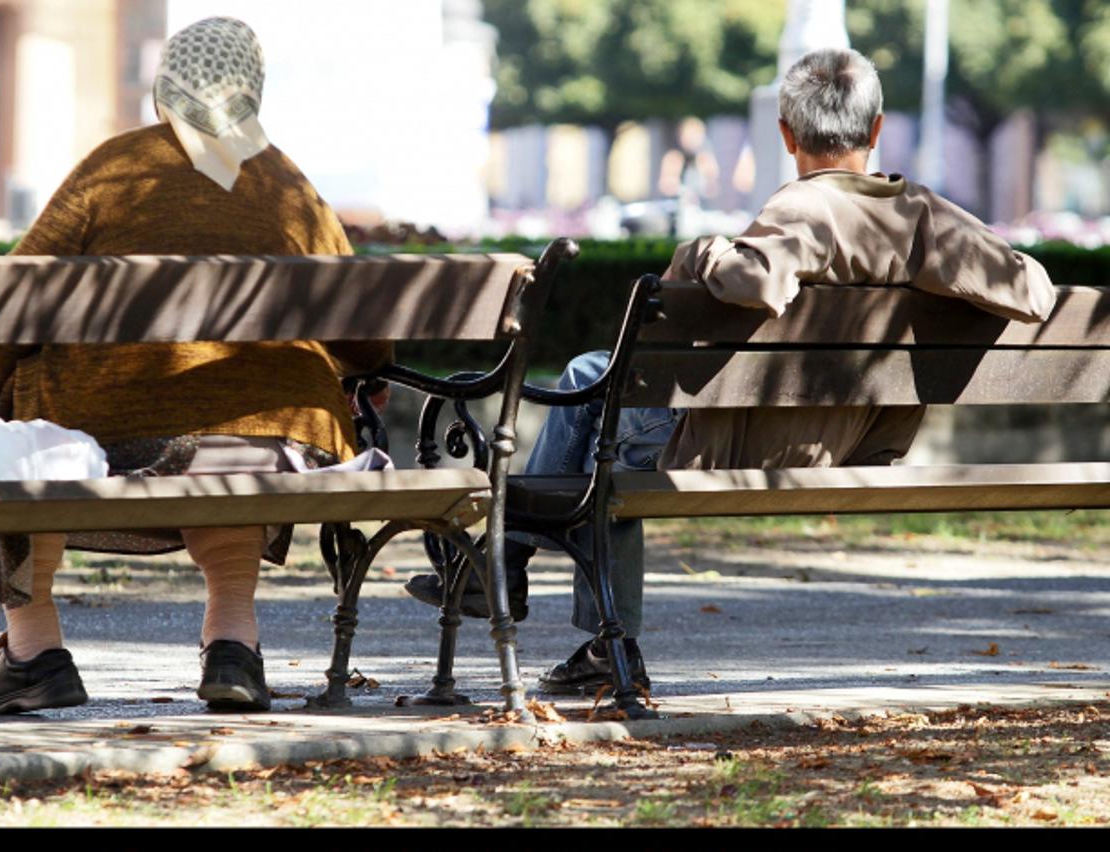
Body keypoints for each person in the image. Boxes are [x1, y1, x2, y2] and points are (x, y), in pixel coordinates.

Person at [406, 47, 1056, 695]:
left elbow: (757, 279)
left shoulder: (806, 208)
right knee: (600, 414)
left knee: (590, 391)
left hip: (740, 441)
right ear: (877, 129)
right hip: (852, 441)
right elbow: (1032, 289)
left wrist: (707, 250)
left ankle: (509, 572)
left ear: (786, 135)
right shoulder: (921, 215)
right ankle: (541, 597)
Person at [0, 17, 390, 715]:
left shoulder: (116, 166)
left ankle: (33, 654)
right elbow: (363, 334)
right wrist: (372, 377)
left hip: (118, 437)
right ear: (253, 93)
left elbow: (13, 300)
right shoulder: (290, 184)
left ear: (163, 87)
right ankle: (233, 647)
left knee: (2, 440)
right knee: (235, 427)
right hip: (280, 451)